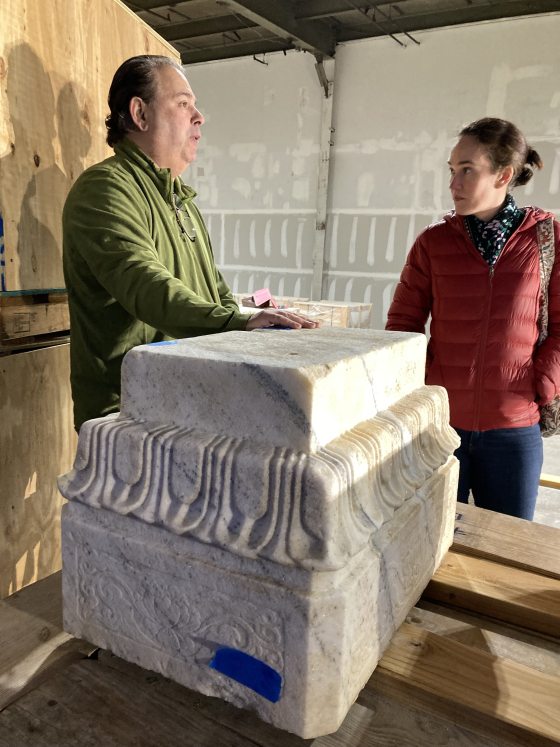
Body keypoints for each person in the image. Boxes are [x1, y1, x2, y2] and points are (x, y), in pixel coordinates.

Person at [63, 55, 316, 430]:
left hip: (182, 405)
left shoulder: (182, 202)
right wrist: (236, 322)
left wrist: (253, 317)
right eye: (183, 104)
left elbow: (216, 292)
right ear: (140, 114)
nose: (199, 117)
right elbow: (146, 286)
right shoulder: (105, 188)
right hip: (127, 416)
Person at [386, 117, 560, 520]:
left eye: (467, 170)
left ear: (504, 175)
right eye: (452, 170)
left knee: (508, 551)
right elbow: (402, 329)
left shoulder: (546, 239)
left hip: (514, 431)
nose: (454, 183)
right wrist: (423, 390)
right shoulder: (433, 243)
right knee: (431, 545)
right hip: (440, 427)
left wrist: (540, 384)